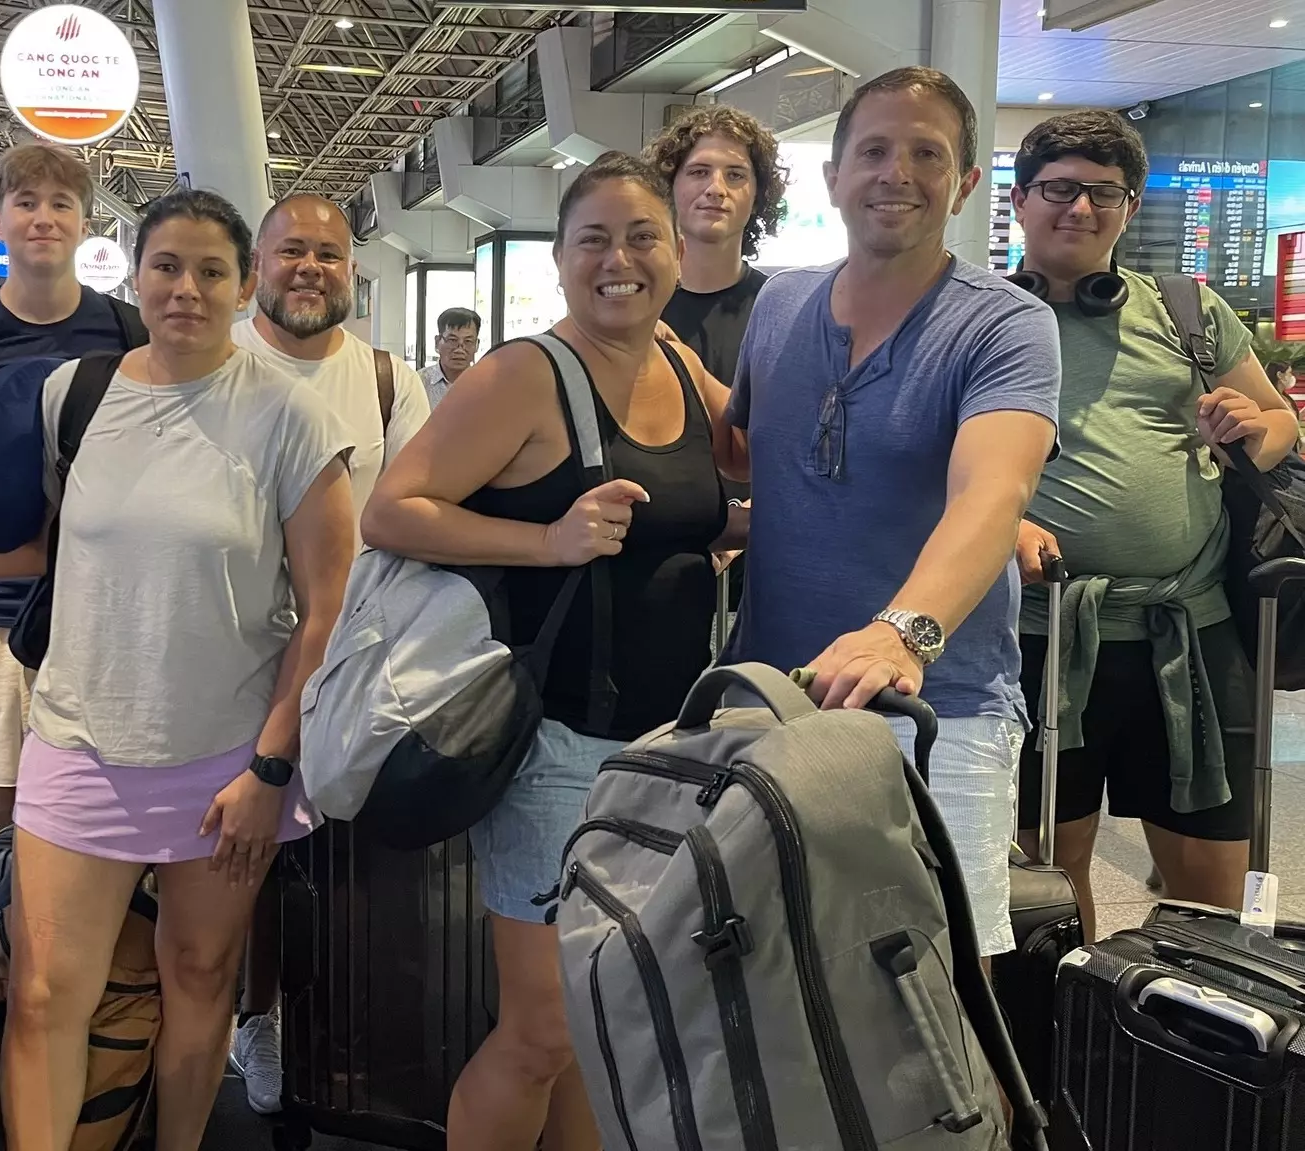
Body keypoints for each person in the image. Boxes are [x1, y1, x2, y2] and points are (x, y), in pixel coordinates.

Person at [0, 188, 357, 1151]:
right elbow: (17, 543)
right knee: (43, 991)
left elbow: (328, 607)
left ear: (243, 284)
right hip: (79, 743)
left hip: (225, 764)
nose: (187, 290)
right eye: (167, 267)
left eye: (211, 271)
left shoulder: (287, 414)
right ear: (137, 273)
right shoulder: (75, 395)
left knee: (198, 979)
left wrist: (271, 770)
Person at [365, 151, 739, 1151]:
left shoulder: (680, 368)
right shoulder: (525, 373)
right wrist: (547, 539)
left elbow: (736, 485)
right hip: (557, 748)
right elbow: (390, 509)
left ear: (674, 250)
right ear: (562, 259)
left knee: (604, 1016)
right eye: (595, 240)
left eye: (641, 236)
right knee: (539, 1028)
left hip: (669, 747)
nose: (620, 259)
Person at [722, 66, 1063, 960]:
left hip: (936, 711)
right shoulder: (780, 305)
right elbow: (746, 451)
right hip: (774, 700)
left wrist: (900, 632)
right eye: (872, 151)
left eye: (927, 154)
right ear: (833, 175)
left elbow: (993, 490)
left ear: (964, 183)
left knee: (939, 1000)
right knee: (773, 977)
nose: (896, 173)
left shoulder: (1005, 325)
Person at [1006, 110, 1299, 936]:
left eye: (1104, 193)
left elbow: (1281, 429)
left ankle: (1192, 1046)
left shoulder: (1184, 311)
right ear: (1021, 200)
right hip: (1040, 635)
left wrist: (1254, 424)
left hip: (1191, 634)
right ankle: (1072, 1045)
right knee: (1048, 878)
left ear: (1128, 209)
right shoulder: (980, 318)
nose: (1080, 209)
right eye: (1058, 189)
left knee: (1214, 878)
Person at [224, 190, 430, 1115]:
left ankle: (338, 1034)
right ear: (257, 265)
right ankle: (249, 1015)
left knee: (342, 857)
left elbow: (425, 512)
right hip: (223, 659)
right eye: (291, 252)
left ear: (354, 271)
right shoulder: (215, 362)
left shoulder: (390, 381)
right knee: (235, 860)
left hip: (350, 665)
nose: (310, 268)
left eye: (329, 255)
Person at [0, 142, 146, 859]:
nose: (43, 218)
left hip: (102, 607)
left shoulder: (125, 330)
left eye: (61, 204)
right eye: (26, 202)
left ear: (86, 222)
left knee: (100, 797)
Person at [645, 104, 788, 588]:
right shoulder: (636, 313)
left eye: (735, 175)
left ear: (758, 194)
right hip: (657, 555)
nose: (716, 188)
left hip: (764, 563)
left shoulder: (786, 311)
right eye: (699, 172)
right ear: (670, 186)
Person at [420, 305, 482, 408]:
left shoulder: (486, 384)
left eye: (468, 341)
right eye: (452, 340)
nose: (460, 349)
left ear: (476, 345)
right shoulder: (418, 383)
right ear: (437, 342)